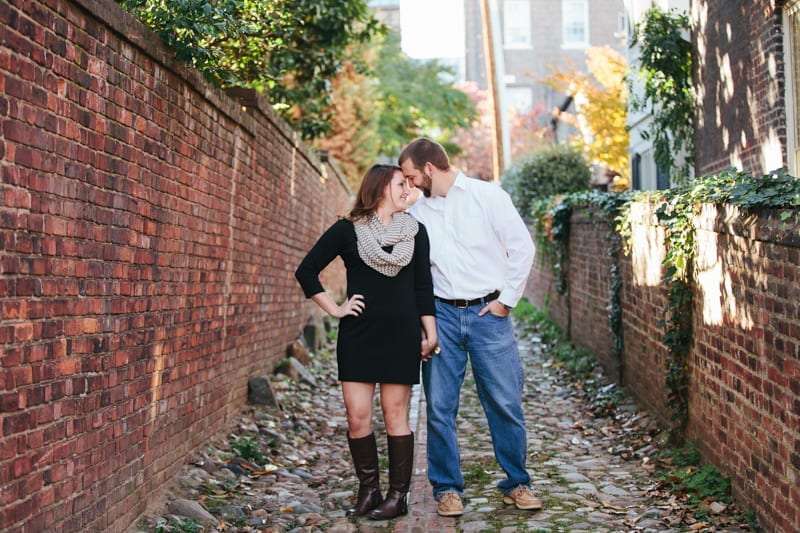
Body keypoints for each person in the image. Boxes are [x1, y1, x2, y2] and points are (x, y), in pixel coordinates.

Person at [398, 138, 540, 517]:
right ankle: (447, 489)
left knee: (505, 402)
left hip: (487, 316)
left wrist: (505, 301)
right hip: (441, 316)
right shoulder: (418, 215)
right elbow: (413, 274)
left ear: (429, 169)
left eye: (411, 177)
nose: (409, 185)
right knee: (440, 406)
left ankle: (518, 483)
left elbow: (522, 248)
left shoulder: (487, 196)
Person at [295, 164, 437, 520]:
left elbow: (422, 286)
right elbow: (306, 270)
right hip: (359, 335)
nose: (408, 189)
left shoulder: (416, 232)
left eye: (409, 184)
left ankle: (397, 496)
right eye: (401, 184)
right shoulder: (348, 231)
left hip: (401, 335)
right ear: (379, 188)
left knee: (395, 416)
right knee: (358, 417)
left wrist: (430, 331)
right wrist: (335, 309)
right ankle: (369, 490)